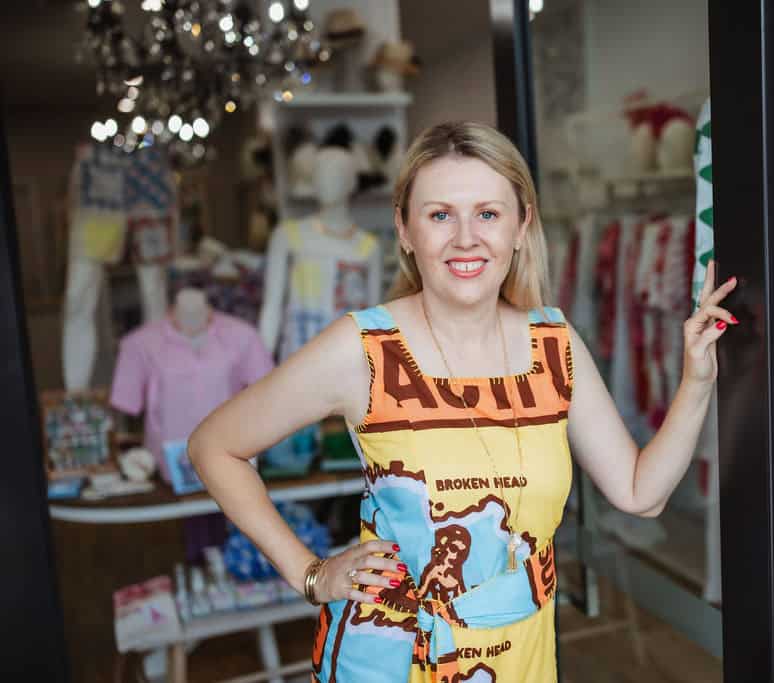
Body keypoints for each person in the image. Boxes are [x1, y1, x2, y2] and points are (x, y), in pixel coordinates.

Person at [188, 120, 737, 682]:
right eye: (440, 215)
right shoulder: (364, 349)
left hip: (522, 663)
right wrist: (311, 574)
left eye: (488, 214)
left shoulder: (555, 345)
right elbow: (214, 446)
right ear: (404, 230)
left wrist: (696, 380)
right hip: (395, 664)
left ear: (522, 225)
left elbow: (641, 493)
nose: (466, 238)